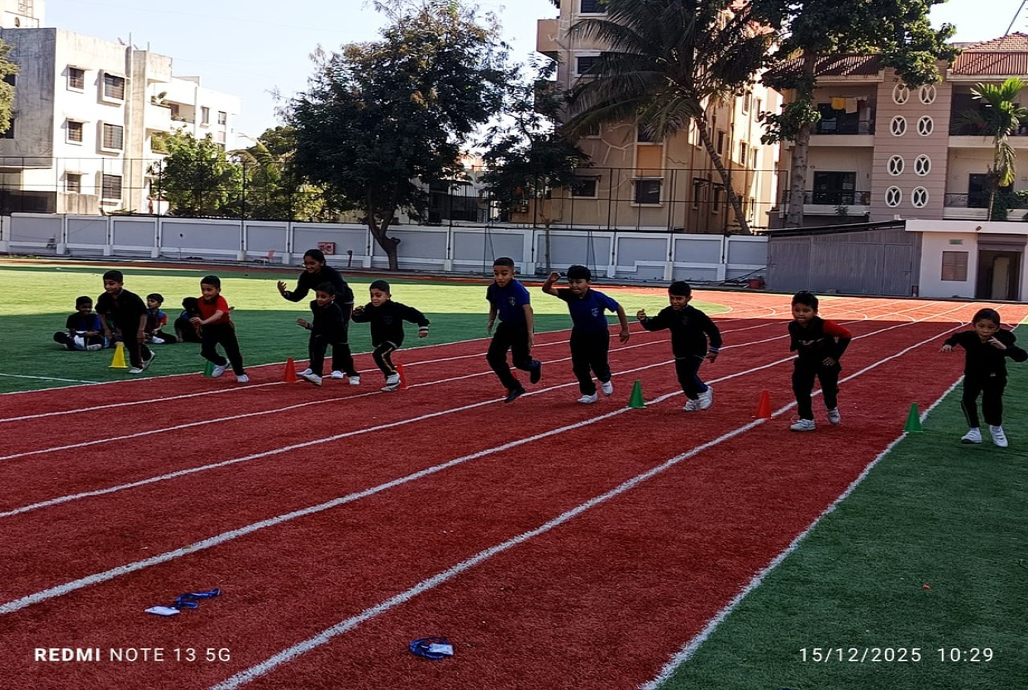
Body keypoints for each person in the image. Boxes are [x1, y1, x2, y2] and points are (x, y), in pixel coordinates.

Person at [542, 265, 630, 403]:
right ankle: (589, 392)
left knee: (598, 363)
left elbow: (618, 307)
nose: (574, 286)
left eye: (578, 282)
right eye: (571, 282)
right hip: (579, 335)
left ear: (588, 283)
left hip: (598, 335)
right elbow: (546, 290)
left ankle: (604, 378)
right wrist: (550, 280)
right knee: (579, 366)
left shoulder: (598, 297)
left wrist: (625, 329)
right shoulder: (569, 295)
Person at [940, 307, 1027, 447]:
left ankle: (996, 428)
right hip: (973, 376)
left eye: (990, 327)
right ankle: (974, 431)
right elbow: (956, 337)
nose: (985, 330)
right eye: (981, 326)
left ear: (997, 328)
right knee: (967, 400)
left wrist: (1005, 348)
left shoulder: (1002, 339)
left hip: (995, 377)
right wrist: (949, 344)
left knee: (992, 403)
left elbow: (1022, 356)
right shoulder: (969, 337)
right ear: (974, 325)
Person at [636, 281, 721, 411]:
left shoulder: (696, 314)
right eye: (672, 298)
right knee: (682, 379)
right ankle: (694, 399)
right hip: (679, 349)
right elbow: (654, 325)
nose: (675, 302)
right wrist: (644, 319)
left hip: (697, 349)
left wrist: (714, 349)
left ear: (688, 298)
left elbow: (713, 330)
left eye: (679, 299)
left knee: (688, 374)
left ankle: (704, 390)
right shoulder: (668, 313)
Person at [277, 248, 358, 381]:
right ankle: (313, 367)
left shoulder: (332, 273)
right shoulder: (306, 276)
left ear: (322, 263)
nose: (308, 266)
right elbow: (298, 295)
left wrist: (328, 301)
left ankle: (338, 368)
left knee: (338, 335)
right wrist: (284, 293)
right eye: (306, 263)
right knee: (316, 334)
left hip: (343, 303)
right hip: (324, 303)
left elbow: (341, 292)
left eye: (312, 263)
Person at [787, 290, 852, 431]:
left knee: (829, 389)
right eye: (797, 310)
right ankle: (806, 419)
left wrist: (834, 356)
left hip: (825, 362)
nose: (801, 314)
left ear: (815, 312)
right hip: (805, 362)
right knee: (800, 388)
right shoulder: (793, 326)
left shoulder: (824, 325)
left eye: (806, 311)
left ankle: (831, 407)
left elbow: (846, 335)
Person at [351, 279, 430, 392]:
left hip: (394, 338)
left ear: (388, 296)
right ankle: (392, 379)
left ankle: (392, 375)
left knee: (379, 354)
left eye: (378, 295)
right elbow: (361, 319)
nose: (374, 298)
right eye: (372, 295)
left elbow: (414, 313)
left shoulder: (395, 308)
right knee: (383, 356)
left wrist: (423, 326)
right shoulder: (370, 307)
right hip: (379, 339)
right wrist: (356, 314)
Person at [486, 257, 542, 403]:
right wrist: (491, 320)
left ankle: (534, 365)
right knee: (493, 357)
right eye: (496, 273)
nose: (500, 277)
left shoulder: (518, 289)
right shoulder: (492, 289)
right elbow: (493, 306)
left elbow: (528, 310)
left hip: (521, 327)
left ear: (513, 274)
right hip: (505, 326)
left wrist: (530, 332)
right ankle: (514, 386)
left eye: (504, 274)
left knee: (520, 362)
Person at [95, 269, 155, 374]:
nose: (107, 287)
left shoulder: (131, 297)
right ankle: (147, 354)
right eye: (105, 284)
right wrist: (106, 329)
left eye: (111, 284)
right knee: (129, 342)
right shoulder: (104, 298)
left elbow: (143, 313)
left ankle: (137, 365)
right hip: (120, 322)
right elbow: (101, 313)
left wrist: (141, 330)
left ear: (121, 284)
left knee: (133, 342)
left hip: (137, 322)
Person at [191, 275, 248, 383]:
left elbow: (219, 314)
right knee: (206, 352)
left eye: (209, 290)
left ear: (218, 290)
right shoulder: (199, 301)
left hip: (224, 328)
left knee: (233, 352)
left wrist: (204, 322)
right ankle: (222, 362)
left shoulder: (220, 300)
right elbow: (199, 313)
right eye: (203, 290)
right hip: (209, 329)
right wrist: (199, 325)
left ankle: (240, 373)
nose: (206, 293)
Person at [296, 283, 352, 387]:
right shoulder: (314, 305)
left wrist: (310, 326)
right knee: (317, 345)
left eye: (323, 297)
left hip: (337, 334)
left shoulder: (335, 310)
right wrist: (310, 326)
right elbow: (319, 322)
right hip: (323, 332)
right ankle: (316, 374)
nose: (319, 299)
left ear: (332, 297)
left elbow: (332, 327)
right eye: (317, 296)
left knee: (345, 357)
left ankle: (352, 374)